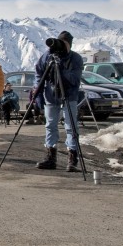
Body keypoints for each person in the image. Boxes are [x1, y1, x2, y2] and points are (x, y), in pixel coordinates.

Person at [33, 30, 85, 172]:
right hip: (51, 96)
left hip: (69, 96)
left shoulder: (76, 59)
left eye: (64, 43)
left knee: (71, 127)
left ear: (69, 45)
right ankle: (50, 157)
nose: (61, 46)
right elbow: (39, 74)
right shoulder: (47, 56)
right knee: (50, 126)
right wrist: (37, 95)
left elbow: (75, 80)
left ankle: (72, 159)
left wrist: (61, 68)